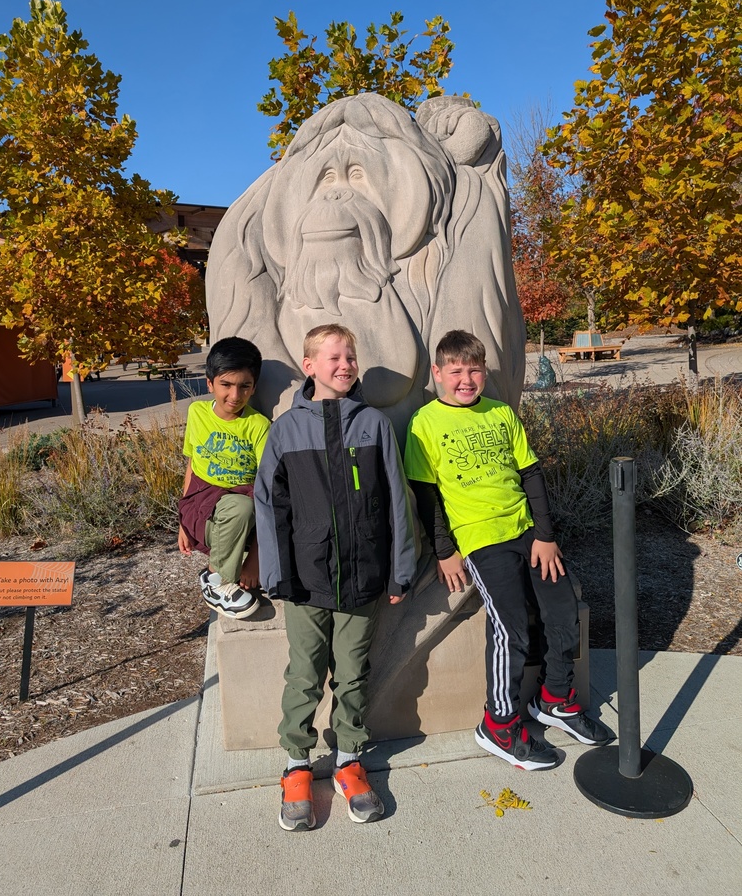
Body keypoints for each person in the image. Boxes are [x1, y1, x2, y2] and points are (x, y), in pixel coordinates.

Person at [404, 329, 611, 770]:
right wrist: (444, 551)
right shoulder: (425, 423)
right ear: (438, 374)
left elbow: (531, 474)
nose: (466, 379)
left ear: (484, 373)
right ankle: (498, 724)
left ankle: (555, 698)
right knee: (511, 629)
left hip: (528, 533)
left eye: (474, 369)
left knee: (562, 610)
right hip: (482, 541)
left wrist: (546, 534)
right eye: (455, 371)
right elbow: (426, 496)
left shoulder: (500, 413)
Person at [255, 324, 417, 831]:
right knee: (304, 674)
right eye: (333, 357)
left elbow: (396, 500)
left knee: (352, 674)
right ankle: (296, 765)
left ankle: (348, 758)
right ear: (309, 366)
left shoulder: (374, 424)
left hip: (364, 578)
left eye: (350, 356)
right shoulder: (284, 429)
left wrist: (401, 570)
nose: (345, 364)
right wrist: (276, 575)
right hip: (305, 580)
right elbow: (268, 505)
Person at [178, 337, 270, 620]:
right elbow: (192, 465)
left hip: (240, 514)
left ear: (254, 387)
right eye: (226, 385)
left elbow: (267, 493)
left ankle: (223, 571)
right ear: (210, 384)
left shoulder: (259, 425)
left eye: (244, 386)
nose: (235, 395)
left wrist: (255, 561)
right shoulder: (197, 413)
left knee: (246, 506)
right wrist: (182, 522)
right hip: (202, 507)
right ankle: (217, 580)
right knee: (240, 508)